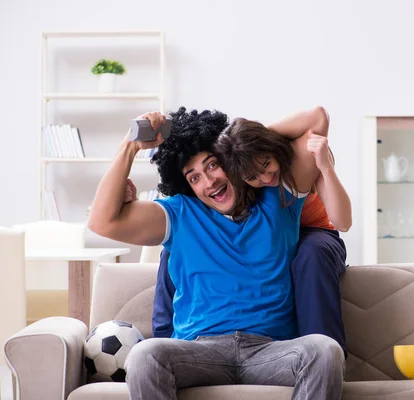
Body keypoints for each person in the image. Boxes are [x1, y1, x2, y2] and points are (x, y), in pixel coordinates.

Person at [88, 107, 344, 399]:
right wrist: (131, 145)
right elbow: (101, 222)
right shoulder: (179, 214)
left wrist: (243, 142)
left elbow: (318, 119)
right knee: (146, 354)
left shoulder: (278, 197)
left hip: (270, 350)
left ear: (232, 161)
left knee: (324, 351)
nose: (208, 182)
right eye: (194, 177)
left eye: (212, 165)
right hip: (198, 350)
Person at [142, 106, 351, 356]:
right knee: (173, 252)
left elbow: (317, 117)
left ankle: (321, 353)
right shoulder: (240, 177)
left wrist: (250, 140)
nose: (264, 176)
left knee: (311, 252)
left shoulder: (275, 170)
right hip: (274, 230)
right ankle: (169, 348)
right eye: (254, 174)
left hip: (312, 230)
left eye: (265, 165)